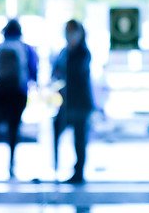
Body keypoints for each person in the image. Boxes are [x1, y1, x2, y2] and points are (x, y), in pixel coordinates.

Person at [0, 18, 38, 179]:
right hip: (19, 91)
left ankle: (10, 156)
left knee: (8, 123)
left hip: (2, 91)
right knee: (15, 125)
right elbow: (33, 69)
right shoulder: (25, 48)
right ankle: (12, 157)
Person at [51, 19, 95, 184]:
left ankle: (79, 172)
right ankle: (56, 166)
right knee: (58, 130)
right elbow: (55, 71)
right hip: (66, 102)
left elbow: (77, 73)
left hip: (80, 102)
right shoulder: (64, 52)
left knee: (79, 138)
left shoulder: (83, 52)